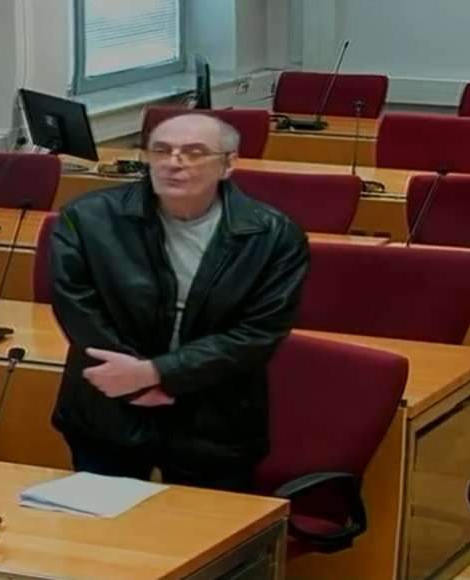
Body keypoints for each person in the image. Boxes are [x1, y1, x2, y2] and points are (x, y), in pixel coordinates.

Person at [50, 113, 310, 491]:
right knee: (104, 523)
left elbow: (258, 333)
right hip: (110, 407)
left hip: (214, 417)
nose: (174, 162)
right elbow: (77, 307)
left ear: (228, 164)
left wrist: (159, 374)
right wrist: (135, 384)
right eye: (161, 150)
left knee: (206, 524)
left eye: (194, 152)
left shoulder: (273, 235)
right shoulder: (87, 218)